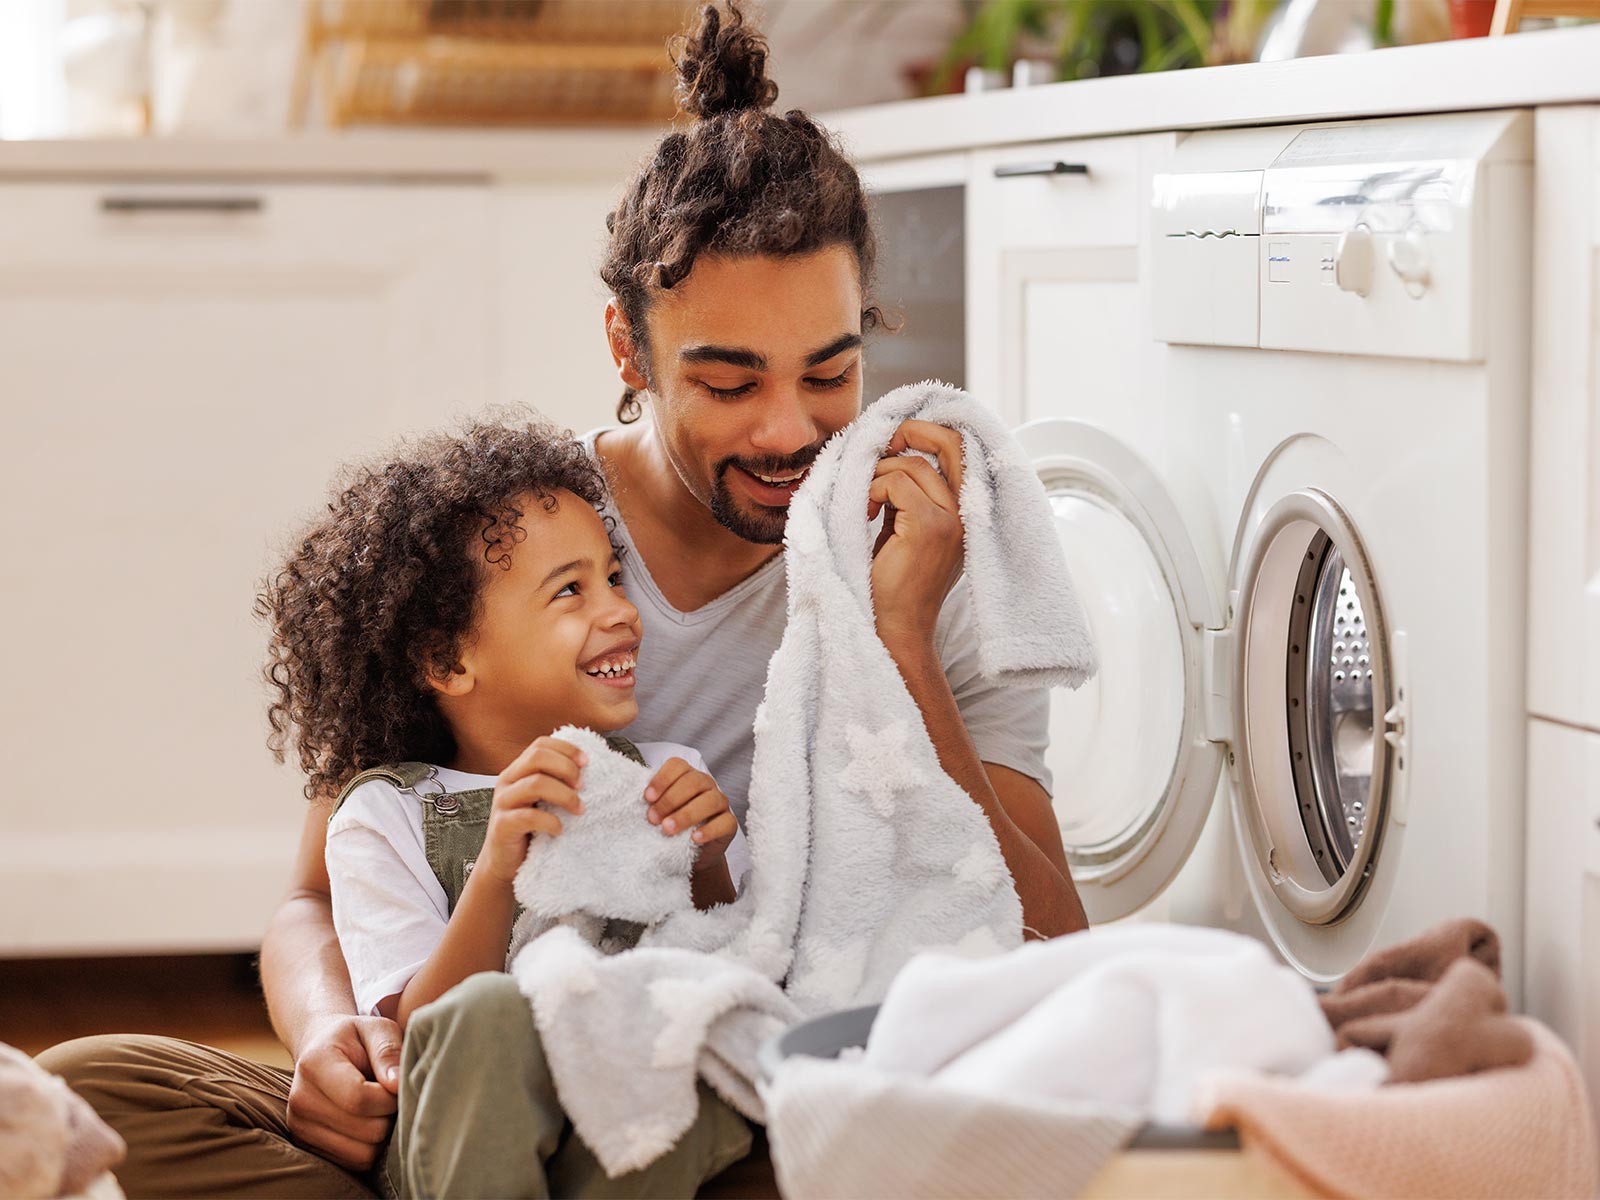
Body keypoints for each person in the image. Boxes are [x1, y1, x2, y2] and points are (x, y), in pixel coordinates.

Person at [36, 3, 1089, 1196]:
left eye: (831, 373)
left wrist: (899, 639)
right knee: (90, 1088)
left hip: (712, 1071)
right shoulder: (522, 540)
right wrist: (334, 1036)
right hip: (476, 1055)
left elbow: (1055, 948)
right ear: (628, 351)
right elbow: (312, 897)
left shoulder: (925, 555)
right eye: (727, 380)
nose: (788, 430)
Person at [256, 419, 752, 1196]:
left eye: (615, 577)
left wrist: (711, 862)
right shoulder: (386, 814)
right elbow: (426, 1033)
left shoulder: (664, 773)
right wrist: (493, 872)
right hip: (457, 1132)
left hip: (618, 1114)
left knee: (697, 1047)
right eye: (570, 591)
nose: (621, 610)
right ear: (449, 659)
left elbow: (728, 950)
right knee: (489, 1017)